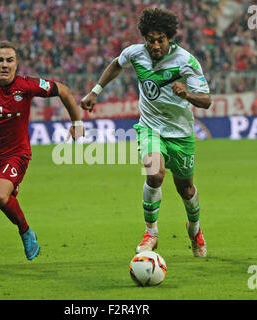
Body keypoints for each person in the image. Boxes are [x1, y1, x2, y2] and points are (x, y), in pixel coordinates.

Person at [81, 8, 211, 257]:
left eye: (160, 39)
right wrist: (95, 90)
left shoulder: (186, 61)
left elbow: (206, 100)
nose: (155, 45)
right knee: (155, 174)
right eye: (150, 39)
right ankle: (151, 233)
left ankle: (194, 230)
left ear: (169, 38)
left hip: (180, 133)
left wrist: (187, 94)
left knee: (186, 189)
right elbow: (116, 65)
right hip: (150, 127)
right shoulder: (135, 53)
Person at [0, 41, 85, 267]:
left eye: (9, 60)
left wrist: (77, 122)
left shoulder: (27, 85)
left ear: (16, 63)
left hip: (15, 154)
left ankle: (26, 231)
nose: (4, 65)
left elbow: (63, 90)